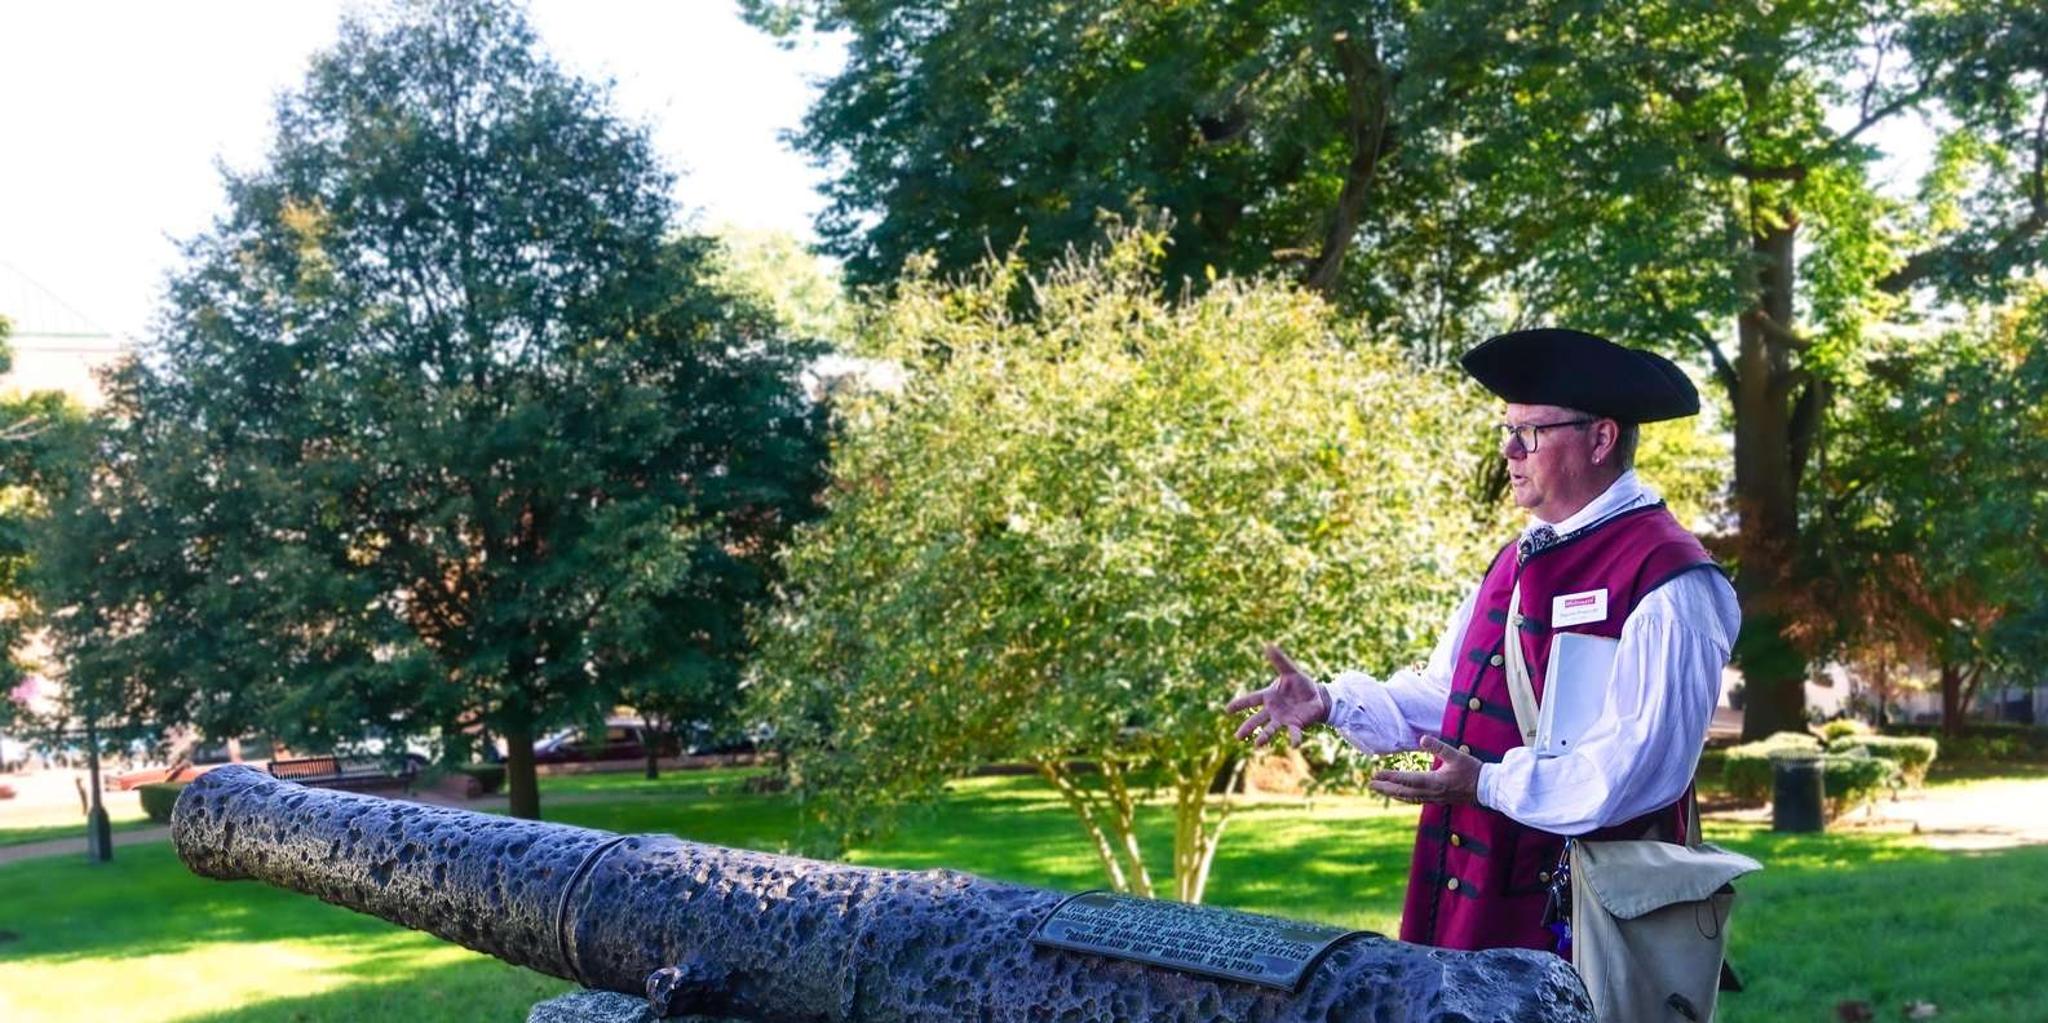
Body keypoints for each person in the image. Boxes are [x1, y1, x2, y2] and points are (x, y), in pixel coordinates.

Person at [1227, 327, 1739, 953]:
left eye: (1530, 433)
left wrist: (1487, 784)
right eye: (1507, 432)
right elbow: (1449, 697)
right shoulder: (1515, 561)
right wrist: (1331, 703)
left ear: (1600, 438)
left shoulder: (1671, 581)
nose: (1510, 453)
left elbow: (1633, 773)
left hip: (1579, 920)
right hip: (1467, 891)